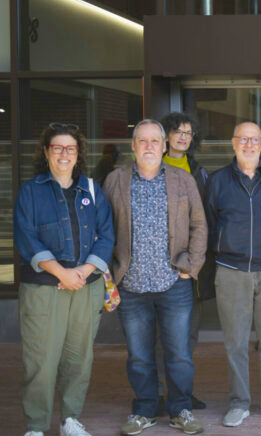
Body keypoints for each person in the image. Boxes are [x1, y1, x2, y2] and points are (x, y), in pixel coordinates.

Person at [103, 119, 207, 436]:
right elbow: (102, 228)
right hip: (131, 285)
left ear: (164, 146)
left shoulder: (182, 179)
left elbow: (199, 224)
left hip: (174, 283)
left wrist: (191, 265)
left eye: (154, 141)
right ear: (133, 145)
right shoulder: (115, 180)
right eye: (142, 140)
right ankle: (144, 410)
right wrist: (110, 272)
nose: (148, 146)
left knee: (179, 355)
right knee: (139, 356)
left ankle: (180, 410)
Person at [15, 122, 115, 436]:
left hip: (86, 286)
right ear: (46, 152)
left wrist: (82, 273)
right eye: (57, 147)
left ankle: (70, 419)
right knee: (41, 360)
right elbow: (26, 237)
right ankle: (36, 426)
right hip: (44, 289)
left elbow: (107, 235)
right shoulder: (31, 191)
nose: (63, 154)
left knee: (78, 358)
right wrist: (62, 273)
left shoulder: (92, 190)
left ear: (78, 153)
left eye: (70, 148)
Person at [205, 121, 261, 428]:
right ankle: (239, 402)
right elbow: (209, 224)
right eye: (243, 139)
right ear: (233, 142)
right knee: (236, 342)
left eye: (255, 140)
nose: (249, 144)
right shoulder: (217, 181)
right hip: (231, 270)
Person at [159, 112, 211, 411]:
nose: (183, 137)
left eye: (188, 133)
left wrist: (194, 264)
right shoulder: (151, 166)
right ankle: (155, 394)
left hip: (188, 268)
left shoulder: (198, 172)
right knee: (157, 336)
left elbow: (203, 221)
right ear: (165, 135)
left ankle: (181, 393)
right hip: (156, 266)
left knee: (188, 334)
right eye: (177, 131)